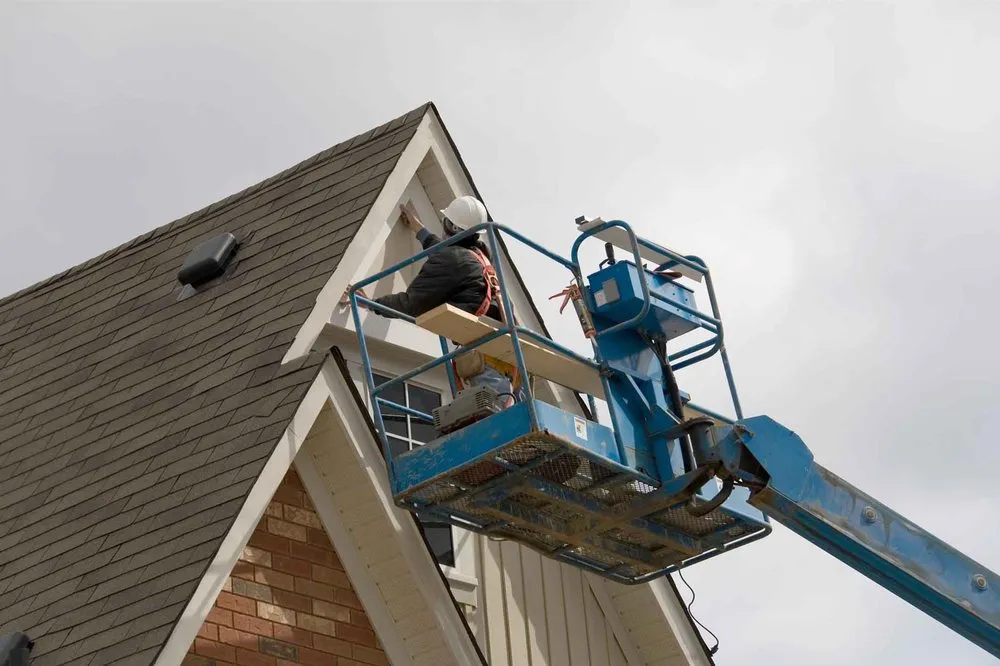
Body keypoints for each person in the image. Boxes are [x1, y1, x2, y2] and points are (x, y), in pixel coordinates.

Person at [343, 196, 523, 408]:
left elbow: (411, 304)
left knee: (493, 425)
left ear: (449, 225)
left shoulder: (453, 260)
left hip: (487, 369)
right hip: (510, 365)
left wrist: (370, 303)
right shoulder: (480, 259)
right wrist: (419, 230)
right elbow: (446, 253)